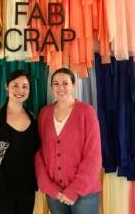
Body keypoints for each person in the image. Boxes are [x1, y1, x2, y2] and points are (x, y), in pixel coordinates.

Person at [35, 68, 102, 214]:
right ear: (51, 87)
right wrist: (47, 186)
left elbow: (93, 155)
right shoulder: (44, 113)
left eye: (65, 83)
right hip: (55, 193)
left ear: (73, 85)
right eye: (56, 83)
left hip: (84, 193)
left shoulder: (86, 112)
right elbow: (39, 152)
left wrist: (74, 190)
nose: (61, 88)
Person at [0, 70, 39, 214]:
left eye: (25, 86)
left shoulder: (32, 117)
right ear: (7, 87)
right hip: (2, 191)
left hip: (27, 190)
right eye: (15, 85)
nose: (20, 90)